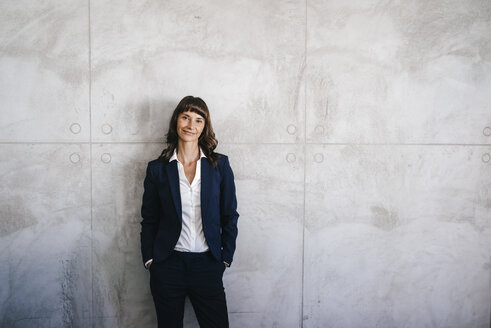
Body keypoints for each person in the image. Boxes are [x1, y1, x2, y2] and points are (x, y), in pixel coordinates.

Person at [140, 96, 239, 328]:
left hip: (208, 264)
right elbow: (149, 220)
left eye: (198, 120)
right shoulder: (157, 169)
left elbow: (229, 215)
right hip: (167, 265)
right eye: (185, 117)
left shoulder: (219, 165)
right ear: (176, 121)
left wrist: (225, 259)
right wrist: (150, 261)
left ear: (204, 127)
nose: (190, 126)